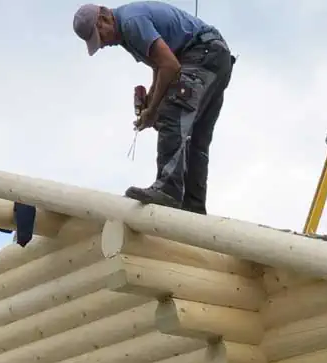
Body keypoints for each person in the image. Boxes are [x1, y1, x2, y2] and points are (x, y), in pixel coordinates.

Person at [72, 2, 236, 215]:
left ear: (104, 18)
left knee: (173, 112)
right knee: (196, 138)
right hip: (217, 58)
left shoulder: (131, 24)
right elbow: (161, 64)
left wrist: (154, 110)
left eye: (100, 36)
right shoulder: (127, 27)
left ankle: (168, 189)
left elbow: (171, 66)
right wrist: (151, 99)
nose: (102, 44)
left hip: (202, 53)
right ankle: (193, 207)